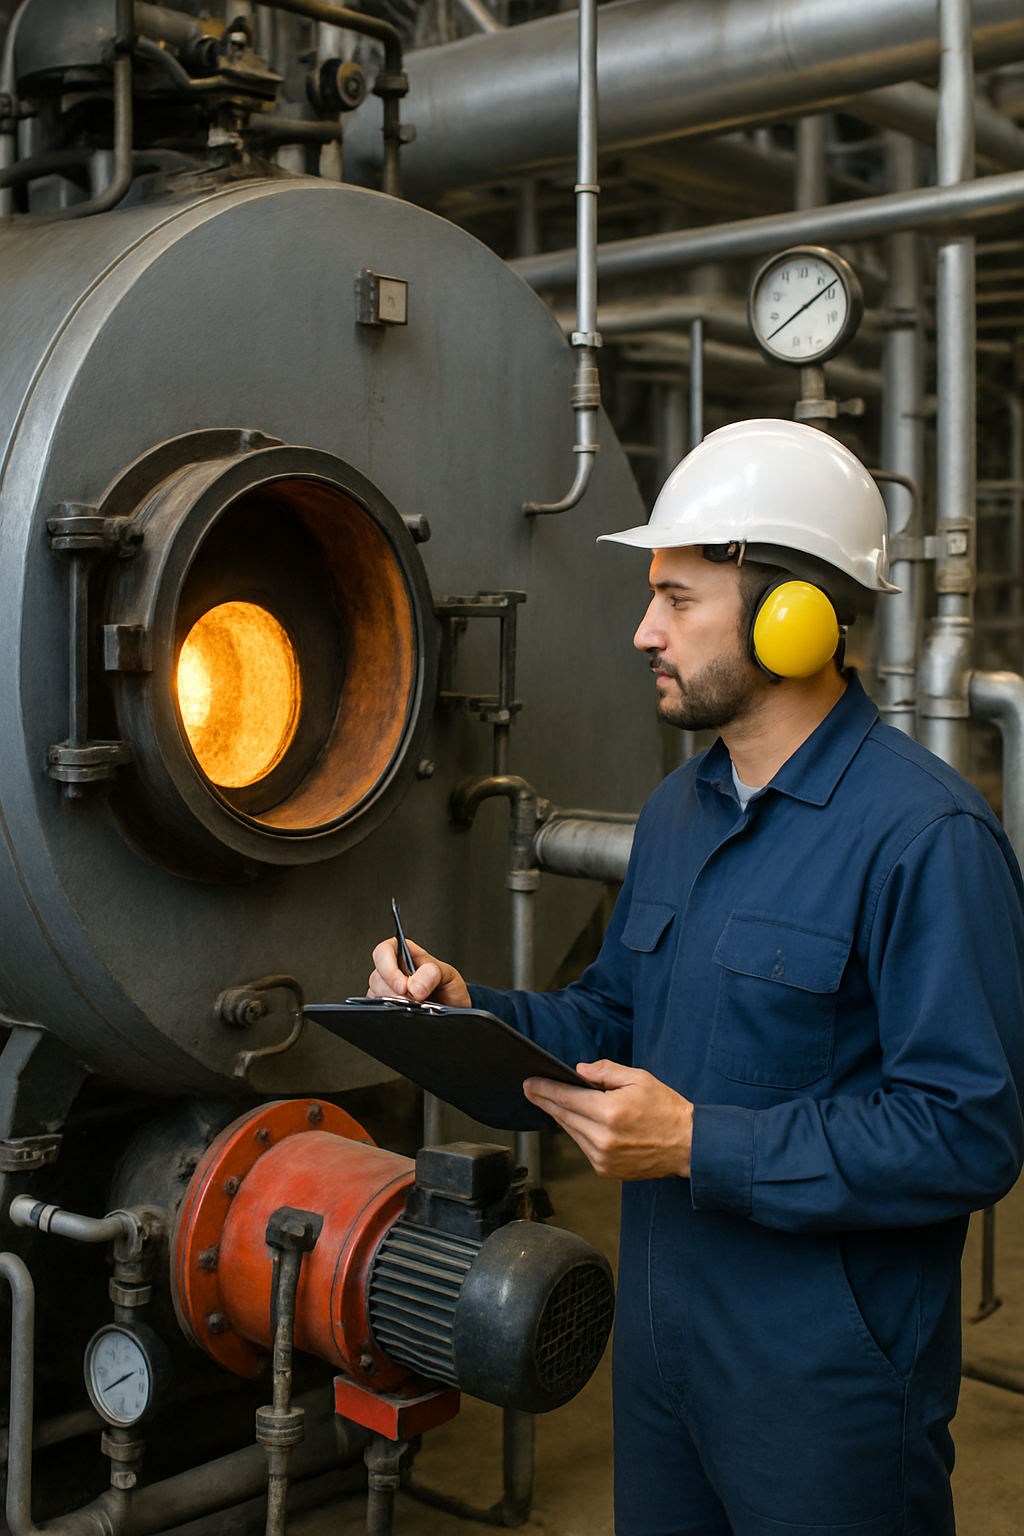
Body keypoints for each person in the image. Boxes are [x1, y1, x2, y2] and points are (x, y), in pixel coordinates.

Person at [369, 419, 1024, 1536]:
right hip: (666, 1347)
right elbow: (614, 1015)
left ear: (795, 619)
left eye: (678, 600)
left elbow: (967, 1132)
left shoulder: (925, 835)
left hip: (828, 1377)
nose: (642, 631)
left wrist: (695, 1144)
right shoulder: (679, 812)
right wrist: (472, 1012)